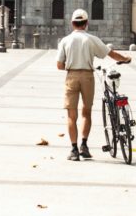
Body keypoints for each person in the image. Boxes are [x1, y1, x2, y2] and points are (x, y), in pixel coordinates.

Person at [56, 9, 131, 161]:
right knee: (86, 112)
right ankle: (84, 146)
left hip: (71, 76)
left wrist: (71, 66)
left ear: (72, 24)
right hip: (88, 77)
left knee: (71, 115)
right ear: (86, 23)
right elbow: (110, 53)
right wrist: (125, 58)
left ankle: (74, 149)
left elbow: (59, 65)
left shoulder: (65, 40)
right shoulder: (91, 39)